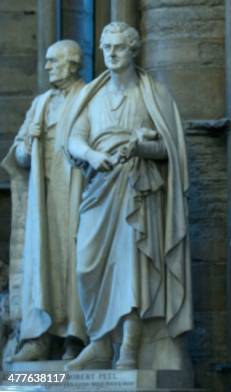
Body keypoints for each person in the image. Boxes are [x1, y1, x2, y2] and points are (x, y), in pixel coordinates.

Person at [64, 22, 192, 370]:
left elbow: (171, 149)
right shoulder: (92, 95)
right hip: (99, 189)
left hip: (138, 190)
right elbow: (75, 138)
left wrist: (141, 146)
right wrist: (92, 156)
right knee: (86, 265)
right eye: (106, 47)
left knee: (132, 268)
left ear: (134, 50)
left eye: (119, 47)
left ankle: (130, 347)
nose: (111, 54)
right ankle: (99, 343)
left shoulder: (153, 94)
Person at [1, 40, 87, 361]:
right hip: (44, 197)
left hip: (80, 193)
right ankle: (39, 337)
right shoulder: (40, 104)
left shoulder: (89, 97)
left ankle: (76, 337)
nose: (47, 66)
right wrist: (31, 142)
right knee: (42, 264)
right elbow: (20, 156)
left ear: (73, 64)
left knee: (77, 261)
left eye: (53, 61)